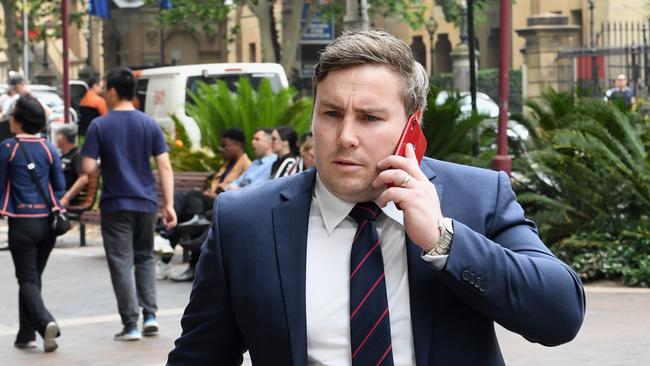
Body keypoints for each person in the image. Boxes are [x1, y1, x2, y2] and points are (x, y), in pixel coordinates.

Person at [167, 30, 585, 365]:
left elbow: (560, 316)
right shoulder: (245, 221)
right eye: (331, 114)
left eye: (369, 118)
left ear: (411, 127)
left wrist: (443, 241)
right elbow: (200, 355)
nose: (345, 137)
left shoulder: (474, 196)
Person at [81, 68, 177, 342]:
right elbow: (165, 166)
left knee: (121, 262)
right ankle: (151, 316)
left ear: (112, 91)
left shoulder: (100, 125)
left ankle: (131, 324)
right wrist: (168, 204)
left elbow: (88, 166)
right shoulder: (149, 124)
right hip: (146, 203)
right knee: (145, 257)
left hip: (115, 203)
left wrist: (101, 162)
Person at [0, 96, 65, 352]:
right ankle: (25, 334)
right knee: (33, 278)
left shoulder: (7, 148)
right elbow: (59, 187)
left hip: (22, 224)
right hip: (48, 225)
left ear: (19, 120)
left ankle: (45, 321)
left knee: (26, 279)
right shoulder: (50, 149)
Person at [160, 128, 252, 282]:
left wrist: (212, 193)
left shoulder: (247, 165)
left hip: (225, 202)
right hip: (213, 201)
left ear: (238, 145)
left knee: (194, 198)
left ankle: (167, 243)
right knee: (181, 200)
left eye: (225, 146)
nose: (222, 150)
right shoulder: (227, 165)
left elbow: (239, 189)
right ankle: (173, 234)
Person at [54, 124, 88, 207]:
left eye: (57, 135)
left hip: (64, 196)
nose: (55, 139)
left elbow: (83, 178)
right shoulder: (62, 155)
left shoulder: (77, 154)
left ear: (63, 138)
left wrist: (66, 198)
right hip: (56, 193)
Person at [0, 75, 29, 141]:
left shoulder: (4, 97)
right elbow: (4, 114)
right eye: (23, 84)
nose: (24, 86)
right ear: (18, 85)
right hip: (8, 128)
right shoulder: (15, 98)